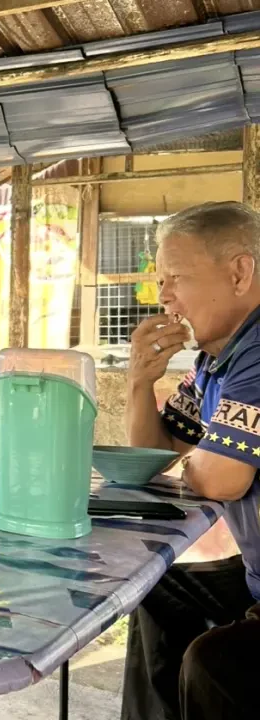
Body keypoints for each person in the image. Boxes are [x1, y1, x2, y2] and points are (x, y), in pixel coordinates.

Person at [123, 201, 260, 720]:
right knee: (152, 579)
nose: (164, 296)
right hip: (253, 576)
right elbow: (151, 458)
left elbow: (222, 477)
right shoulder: (213, 360)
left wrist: (202, 459)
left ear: (239, 272)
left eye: (175, 277)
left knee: (215, 662)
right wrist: (140, 382)